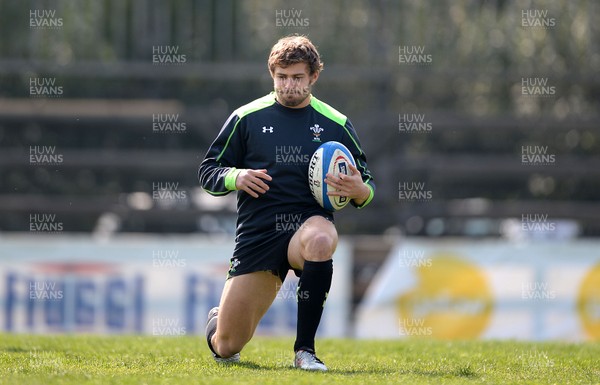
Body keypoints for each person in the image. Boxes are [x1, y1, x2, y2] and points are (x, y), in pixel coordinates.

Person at [198, 35, 375, 371]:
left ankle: (304, 351)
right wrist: (238, 177)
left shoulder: (336, 124)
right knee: (226, 346)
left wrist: (358, 190)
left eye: (297, 77)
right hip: (258, 235)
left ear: (313, 77)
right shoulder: (246, 117)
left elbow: (366, 187)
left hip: (307, 227)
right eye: (281, 77)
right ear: (272, 74)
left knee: (322, 240)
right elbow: (208, 171)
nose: (288, 85)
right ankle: (219, 322)